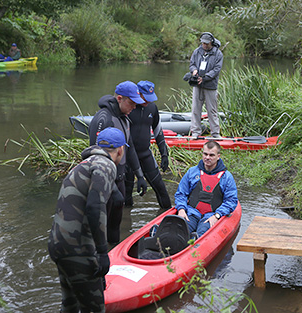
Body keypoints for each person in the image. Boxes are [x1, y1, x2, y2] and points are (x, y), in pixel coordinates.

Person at [48, 127, 127, 313]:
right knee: (94, 309)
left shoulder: (84, 164)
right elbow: (94, 206)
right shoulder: (106, 165)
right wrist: (101, 252)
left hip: (58, 245)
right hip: (78, 249)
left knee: (70, 305)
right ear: (121, 150)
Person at [88, 81, 148, 245]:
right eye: (132, 102)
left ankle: (113, 258)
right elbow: (95, 157)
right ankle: (99, 258)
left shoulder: (125, 119)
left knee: (116, 226)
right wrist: (112, 188)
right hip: (104, 183)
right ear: (120, 98)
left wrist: (140, 175)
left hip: (119, 179)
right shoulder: (103, 119)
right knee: (101, 227)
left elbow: (131, 148)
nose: (134, 107)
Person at [125, 80, 172, 211]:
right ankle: (126, 226)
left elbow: (158, 132)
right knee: (126, 195)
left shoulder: (152, 108)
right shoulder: (129, 109)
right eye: (145, 98)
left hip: (145, 155)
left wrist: (164, 154)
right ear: (138, 94)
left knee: (161, 189)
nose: (148, 102)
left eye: (150, 99)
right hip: (128, 157)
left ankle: (169, 219)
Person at [175, 140, 238, 237]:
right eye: (205, 154)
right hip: (192, 213)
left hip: (211, 215)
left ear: (218, 156)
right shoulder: (192, 172)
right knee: (181, 231)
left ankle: (195, 240)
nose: (207, 157)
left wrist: (217, 215)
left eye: (211, 155)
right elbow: (181, 193)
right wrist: (181, 209)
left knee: (202, 233)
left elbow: (231, 201)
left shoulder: (226, 177)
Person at [188, 32, 223, 139]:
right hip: (197, 85)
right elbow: (192, 64)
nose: (205, 45)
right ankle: (195, 132)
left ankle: (215, 133)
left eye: (207, 43)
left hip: (210, 85)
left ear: (211, 42)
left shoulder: (218, 54)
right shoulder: (197, 51)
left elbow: (216, 69)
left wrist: (205, 77)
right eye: (203, 43)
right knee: (195, 109)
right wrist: (194, 71)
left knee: (212, 110)